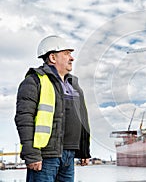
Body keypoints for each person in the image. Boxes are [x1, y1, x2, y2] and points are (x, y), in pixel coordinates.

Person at [15, 35, 91, 182]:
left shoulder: (74, 85)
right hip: (45, 156)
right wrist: (32, 154)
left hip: (69, 155)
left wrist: (84, 151)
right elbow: (24, 118)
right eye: (67, 53)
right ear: (53, 57)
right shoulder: (34, 81)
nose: (72, 58)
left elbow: (82, 119)